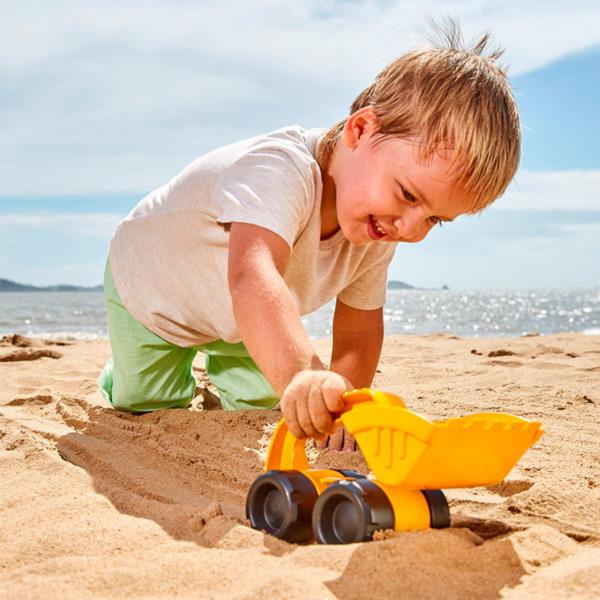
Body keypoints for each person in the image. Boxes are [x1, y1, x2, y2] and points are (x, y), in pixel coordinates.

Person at [98, 22, 520, 450]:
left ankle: (227, 369)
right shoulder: (280, 171)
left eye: (435, 220)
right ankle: (123, 373)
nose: (411, 229)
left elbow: (359, 327)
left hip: (241, 320)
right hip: (154, 290)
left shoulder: (380, 227)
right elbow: (252, 276)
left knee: (260, 404)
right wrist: (302, 373)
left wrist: (341, 404)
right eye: (409, 195)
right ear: (360, 131)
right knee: (146, 402)